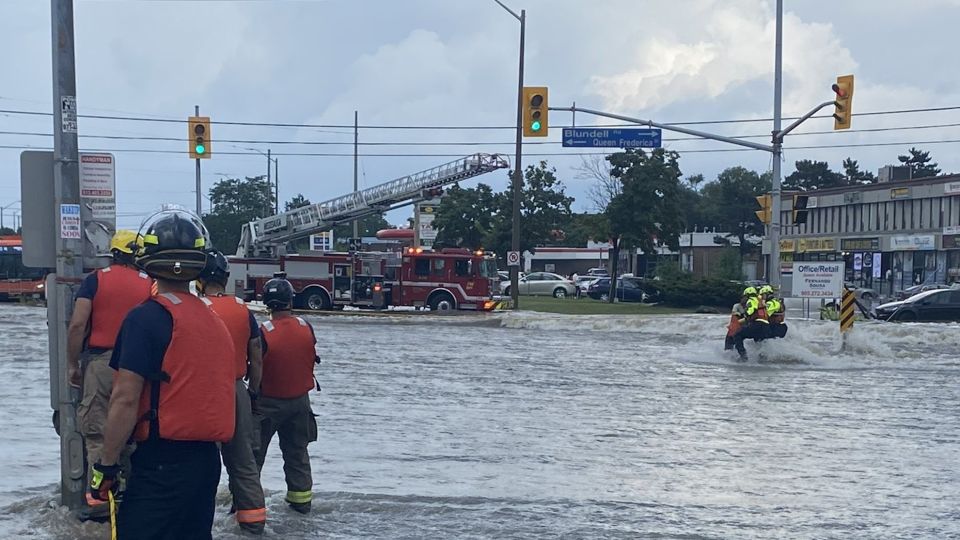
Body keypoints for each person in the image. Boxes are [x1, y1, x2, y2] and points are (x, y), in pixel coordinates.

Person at [90, 209, 236, 540]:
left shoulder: (146, 319)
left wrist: (106, 466)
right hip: (206, 462)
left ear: (148, 258)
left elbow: (125, 399)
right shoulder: (213, 320)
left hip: (160, 461)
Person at [67, 229, 153, 509]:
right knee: (133, 431)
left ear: (113, 253)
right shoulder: (150, 284)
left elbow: (78, 324)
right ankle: (131, 497)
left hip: (102, 364)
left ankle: (103, 501)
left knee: (97, 433)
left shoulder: (95, 281)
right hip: (140, 367)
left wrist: (72, 364)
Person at [197, 251, 267, 535]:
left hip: (202, 391)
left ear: (200, 280)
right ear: (225, 279)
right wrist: (253, 390)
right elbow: (257, 356)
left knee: (201, 458)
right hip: (237, 388)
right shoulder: (243, 310)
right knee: (243, 460)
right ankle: (253, 521)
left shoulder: (196, 308)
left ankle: (201, 521)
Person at [254, 276, 320, 515]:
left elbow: (254, 366)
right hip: (300, 402)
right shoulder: (306, 326)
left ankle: (247, 507)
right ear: (290, 300)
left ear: (267, 303)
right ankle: (301, 504)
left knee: (253, 459)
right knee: (297, 454)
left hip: (267, 403)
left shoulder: (262, 332)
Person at [731, 286, 768, 361]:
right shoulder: (760, 300)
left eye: (744, 296)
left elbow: (751, 310)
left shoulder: (751, 300)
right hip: (765, 326)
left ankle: (743, 356)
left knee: (737, 335)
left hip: (757, 324)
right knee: (758, 341)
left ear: (747, 295)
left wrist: (745, 313)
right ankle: (762, 358)